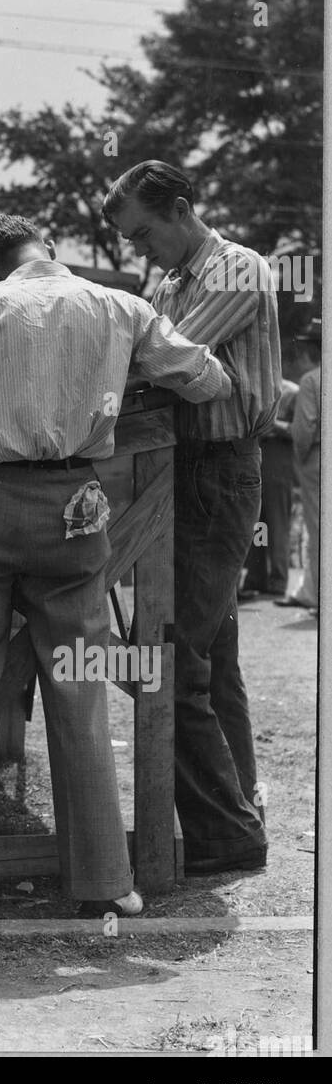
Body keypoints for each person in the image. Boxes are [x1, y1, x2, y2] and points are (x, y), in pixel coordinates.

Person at [0, 212, 233, 920]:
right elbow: (207, 377)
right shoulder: (119, 306)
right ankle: (104, 880)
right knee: (79, 691)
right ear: (52, 252)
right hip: (79, 509)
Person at [104, 160, 279, 877]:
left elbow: (168, 361)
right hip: (183, 467)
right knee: (214, 655)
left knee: (173, 661)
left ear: (179, 209)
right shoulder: (171, 279)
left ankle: (224, 834)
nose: (139, 250)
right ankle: (238, 806)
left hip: (217, 467)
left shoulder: (235, 268)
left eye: (144, 233)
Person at [240, 376, 298, 600]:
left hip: (278, 459)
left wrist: (272, 424)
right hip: (257, 459)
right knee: (258, 523)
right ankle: (257, 576)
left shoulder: (293, 391)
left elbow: (299, 431)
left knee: (277, 523)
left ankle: (278, 579)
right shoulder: (258, 385)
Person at [283, 320, 320, 613]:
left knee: (317, 527)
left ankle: (316, 594)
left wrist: (301, 454)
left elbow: (305, 428)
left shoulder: (310, 380)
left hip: (317, 459)